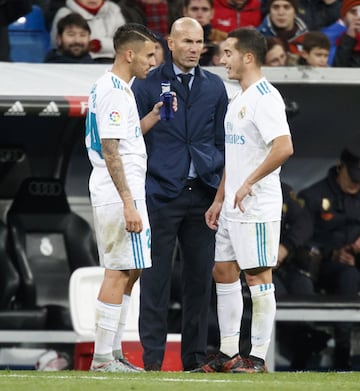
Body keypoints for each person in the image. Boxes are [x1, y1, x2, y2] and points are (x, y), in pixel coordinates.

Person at [194, 27, 293, 373]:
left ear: (247, 57)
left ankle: (259, 357)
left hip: (257, 204)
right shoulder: (239, 98)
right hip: (232, 205)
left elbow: (284, 147)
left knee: (257, 276)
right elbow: (235, 157)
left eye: (227, 53)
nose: (222, 60)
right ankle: (228, 352)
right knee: (222, 270)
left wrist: (249, 182)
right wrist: (219, 199)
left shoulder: (266, 97)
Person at [132, 17, 228, 371]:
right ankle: (152, 362)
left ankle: (195, 360)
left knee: (200, 280)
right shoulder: (146, 83)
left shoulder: (215, 87)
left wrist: (215, 177)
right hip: (160, 191)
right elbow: (132, 137)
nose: (193, 48)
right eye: (186, 41)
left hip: (202, 192)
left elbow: (221, 140)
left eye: (199, 42)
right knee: (154, 280)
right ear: (169, 43)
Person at [85, 23, 167, 373]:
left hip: (124, 191)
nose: (153, 62)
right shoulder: (115, 91)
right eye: (149, 55)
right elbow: (110, 150)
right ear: (129, 54)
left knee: (130, 270)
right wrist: (128, 202)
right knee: (118, 271)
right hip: (120, 193)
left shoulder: (115, 88)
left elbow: (125, 138)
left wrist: (150, 118)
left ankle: (114, 353)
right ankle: (103, 358)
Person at [298, 147, 360, 370]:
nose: (356, 183)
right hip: (322, 268)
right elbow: (303, 239)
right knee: (348, 276)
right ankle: (342, 353)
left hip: (356, 262)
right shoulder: (313, 196)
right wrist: (332, 253)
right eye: (353, 176)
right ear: (340, 166)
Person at [51, 0, 126, 63]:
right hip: (73, 61)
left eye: (82, 35)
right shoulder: (64, 13)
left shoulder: (114, 11)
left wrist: (100, 44)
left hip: (112, 61)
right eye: (71, 34)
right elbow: (56, 44)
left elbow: (124, 43)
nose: (93, 0)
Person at [258, 0, 308, 64]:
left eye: (286, 7)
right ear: (269, 11)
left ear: (295, 11)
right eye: (276, 7)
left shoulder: (307, 39)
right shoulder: (258, 39)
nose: (281, 13)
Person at [183, 0, 228, 66]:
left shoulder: (224, 39)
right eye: (194, 9)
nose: (199, 15)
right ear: (185, 12)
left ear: (212, 13)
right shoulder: (174, 40)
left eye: (205, 9)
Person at [322, 0, 360, 67]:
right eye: (353, 12)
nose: (358, 17)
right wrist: (349, 38)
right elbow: (338, 69)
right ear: (344, 16)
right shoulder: (329, 37)